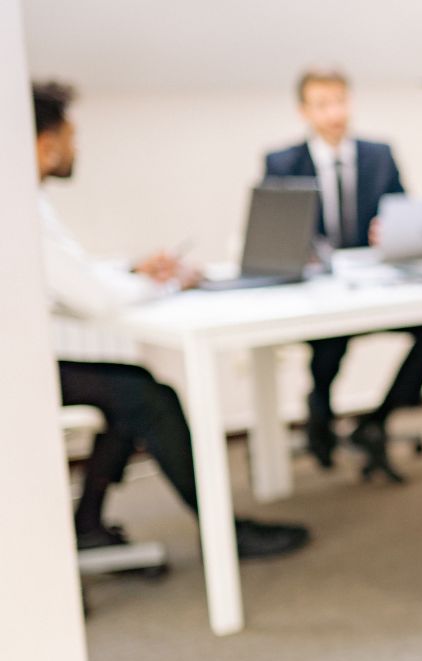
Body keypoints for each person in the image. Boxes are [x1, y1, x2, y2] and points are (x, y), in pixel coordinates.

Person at [33, 81, 310, 560]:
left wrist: (131, 269)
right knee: (147, 398)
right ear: (45, 144)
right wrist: (165, 284)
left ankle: (88, 522)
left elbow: (68, 276)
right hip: (22, 376)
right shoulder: (19, 209)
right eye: (71, 137)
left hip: (29, 361)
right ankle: (226, 532)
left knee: (133, 392)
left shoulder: (29, 203)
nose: (76, 148)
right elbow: (93, 300)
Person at [263, 68, 422, 482]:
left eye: (340, 101)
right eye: (323, 104)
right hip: (317, 291)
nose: (335, 113)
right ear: (304, 111)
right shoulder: (283, 162)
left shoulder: (378, 155)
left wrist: (391, 233)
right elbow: (276, 233)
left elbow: (401, 216)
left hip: (372, 285)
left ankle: (376, 422)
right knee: (329, 343)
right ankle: (319, 411)